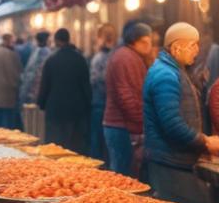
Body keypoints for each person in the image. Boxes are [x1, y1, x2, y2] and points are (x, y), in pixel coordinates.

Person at [142, 22, 219, 203]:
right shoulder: (166, 75)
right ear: (176, 47)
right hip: (169, 162)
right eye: (192, 45)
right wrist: (204, 141)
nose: (197, 50)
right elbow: (172, 124)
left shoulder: (174, 70)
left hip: (176, 159)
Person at [103, 22, 154, 177]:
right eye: (144, 42)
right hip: (121, 127)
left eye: (150, 42)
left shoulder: (132, 56)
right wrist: (139, 123)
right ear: (133, 41)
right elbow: (125, 96)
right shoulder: (125, 58)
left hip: (123, 126)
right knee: (122, 178)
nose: (149, 46)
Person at [37, 28, 91, 154]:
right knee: (74, 147)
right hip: (76, 110)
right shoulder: (80, 59)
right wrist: (88, 106)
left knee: (56, 147)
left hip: (55, 110)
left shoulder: (51, 60)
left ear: (56, 41)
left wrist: (41, 104)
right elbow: (86, 86)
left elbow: (45, 85)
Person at [88, 23, 115, 159]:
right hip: (111, 105)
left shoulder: (98, 58)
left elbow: (94, 81)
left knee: (97, 140)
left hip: (99, 103)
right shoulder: (115, 56)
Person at [19, 30, 52, 106]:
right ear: (46, 40)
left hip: (31, 89)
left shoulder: (35, 51)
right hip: (38, 91)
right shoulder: (45, 53)